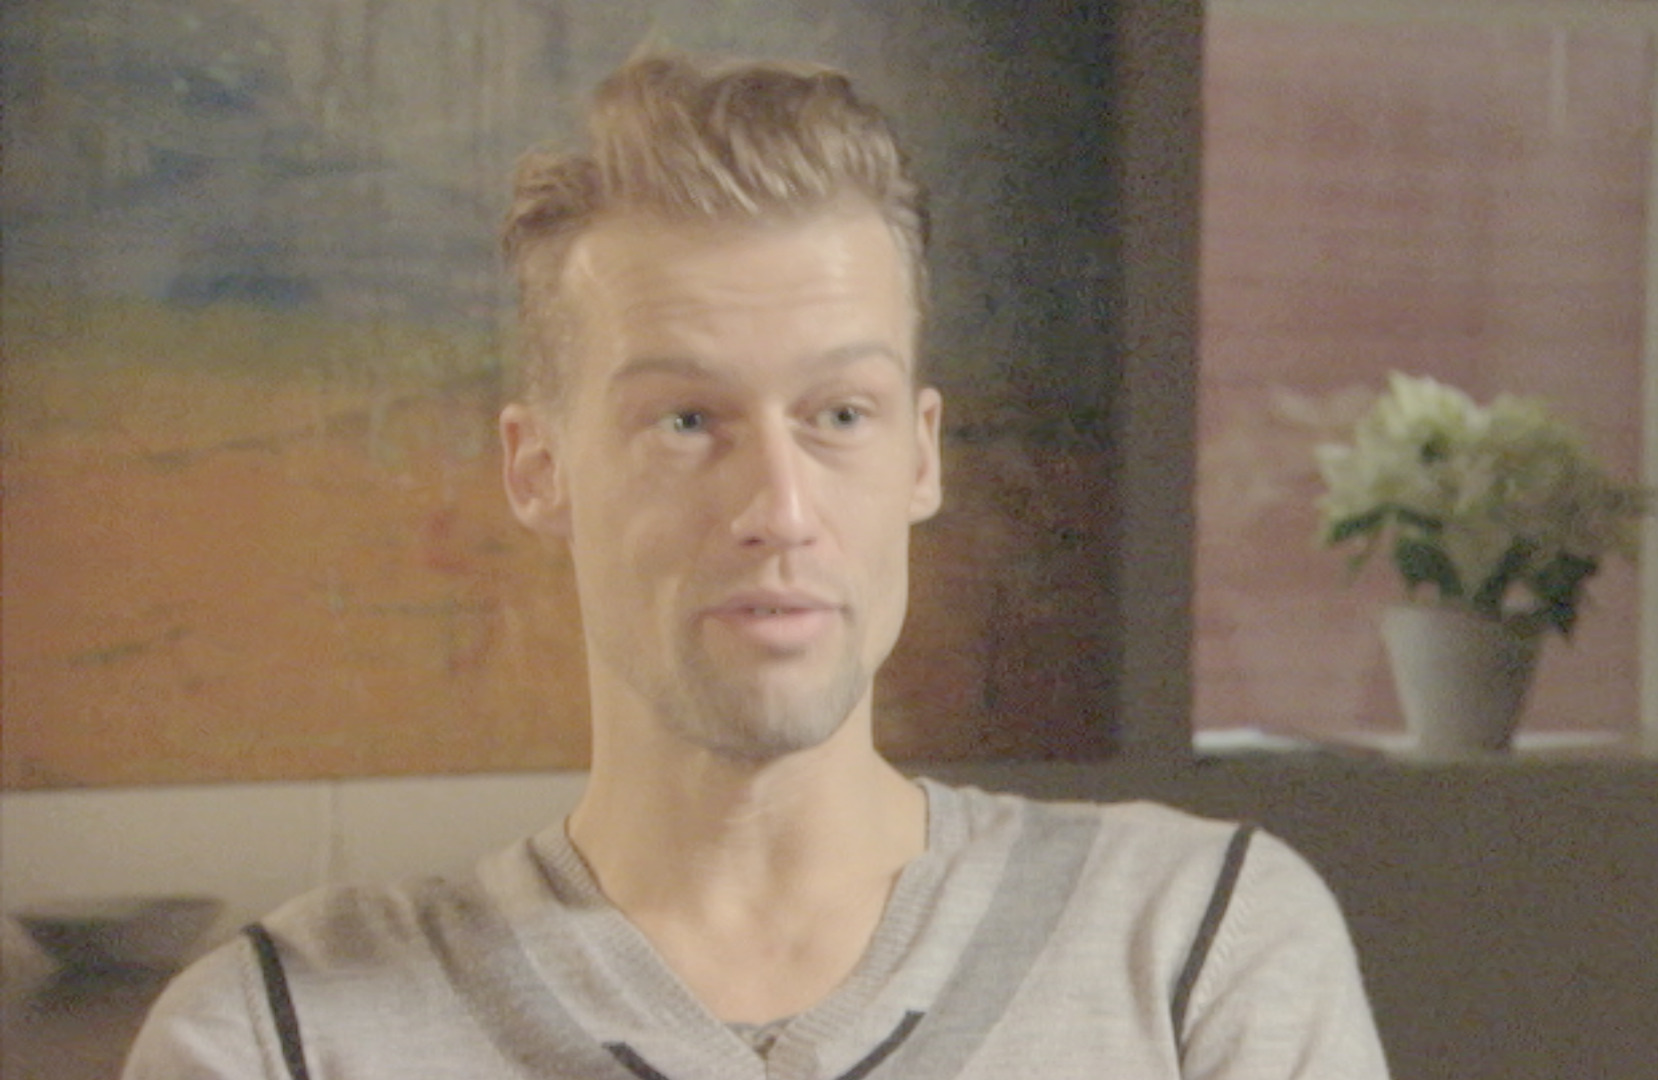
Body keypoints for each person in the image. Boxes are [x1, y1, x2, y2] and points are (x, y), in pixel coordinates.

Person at [122, 47, 1390, 1079]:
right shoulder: (281, 1037)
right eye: (686, 421)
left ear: (921, 456)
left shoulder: (1198, 950)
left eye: (839, 414)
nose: (779, 508)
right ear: (537, 466)